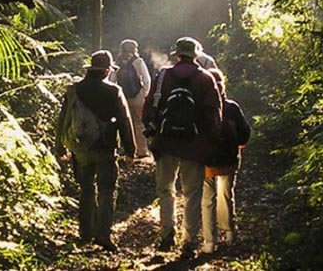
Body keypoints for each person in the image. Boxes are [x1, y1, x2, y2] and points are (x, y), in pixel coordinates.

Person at [142, 37, 222, 259]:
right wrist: (213, 142)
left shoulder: (162, 77)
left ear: (177, 54)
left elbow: (149, 106)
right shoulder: (205, 78)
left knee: (165, 189)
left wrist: (151, 131)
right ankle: (189, 241)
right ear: (196, 55)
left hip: (165, 142)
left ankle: (167, 234)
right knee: (192, 192)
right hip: (194, 145)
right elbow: (213, 113)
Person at [54, 50, 136, 253]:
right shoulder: (113, 91)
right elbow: (124, 121)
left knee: (86, 189)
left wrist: (59, 146)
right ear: (107, 70)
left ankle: (85, 233)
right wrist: (130, 149)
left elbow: (63, 119)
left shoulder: (74, 89)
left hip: (80, 148)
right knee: (107, 190)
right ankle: (103, 235)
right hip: (105, 148)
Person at [200, 68, 252, 254]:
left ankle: (209, 242)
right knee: (226, 194)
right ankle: (229, 233)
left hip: (205, 161)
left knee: (207, 199)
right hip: (229, 159)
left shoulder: (200, 107)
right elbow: (245, 134)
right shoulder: (232, 107)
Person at [110, 39, 152, 158]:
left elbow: (112, 80)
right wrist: (145, 93)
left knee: (124, 123)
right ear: (135, 49)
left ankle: (127, 150)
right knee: (139, 122)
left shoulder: (117, 62)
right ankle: (142, 151)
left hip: (122, 95)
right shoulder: (138, 61)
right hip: (138, 94)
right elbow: (147, 79)